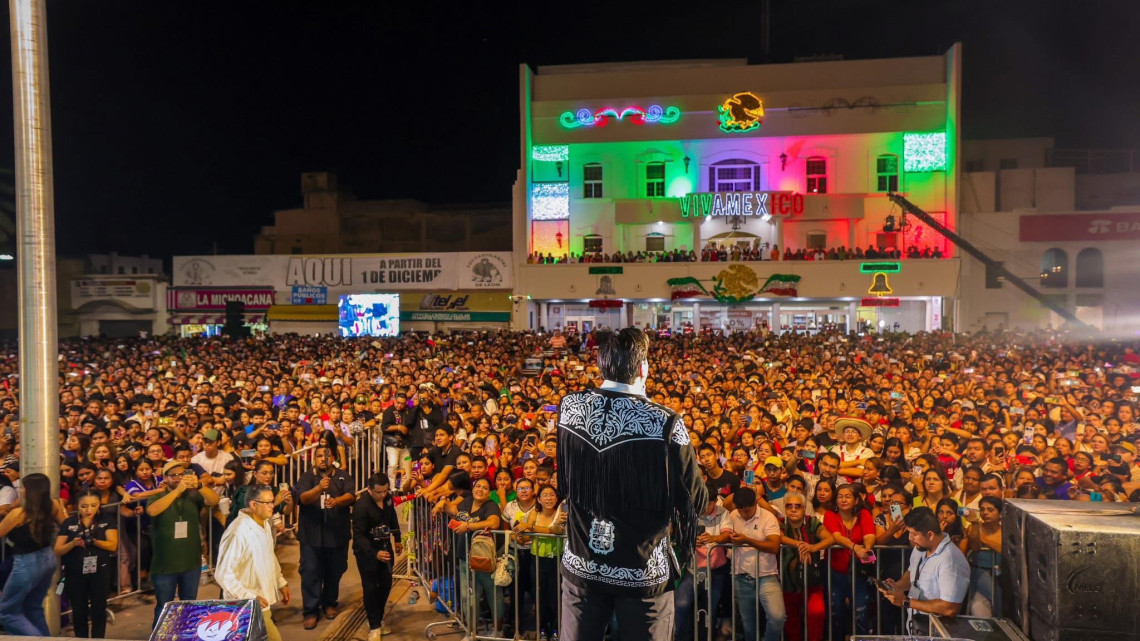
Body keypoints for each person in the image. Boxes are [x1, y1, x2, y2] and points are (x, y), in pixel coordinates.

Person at [555, 327, 707, 641]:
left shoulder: (569, 408)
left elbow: (566, 480)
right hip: (641, 571)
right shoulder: (665, 421)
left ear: (602, 366)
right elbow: (695, 500)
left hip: (582, 563)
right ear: (642, 368)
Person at [146, 459, 220, 627]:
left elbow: (214, 500)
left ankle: (185, 635)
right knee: (164, 608)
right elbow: (152, 510)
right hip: (165, 566)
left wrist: (200, 486)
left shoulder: (193, 495)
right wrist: (177, 491)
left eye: (182, 474)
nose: (179, 478)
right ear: (165, 478)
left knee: (189, 607)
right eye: (174, 475)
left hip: (190, 564)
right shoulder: (157, 496)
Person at [213, 485, 291, 641]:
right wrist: (249, 596)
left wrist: (280, 581)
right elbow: (223, 574)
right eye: (268, 502)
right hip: (245, 606)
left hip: (261, 602)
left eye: (272, 501)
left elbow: (269, 555)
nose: (272, 505)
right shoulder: (237, 532)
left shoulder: (264, 523)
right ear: (253, 505)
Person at [293, 444, 356, 629]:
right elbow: (302, 499)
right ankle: (310, 610)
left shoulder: (343, 476)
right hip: (311, 536)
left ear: (333, 458)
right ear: (314, 459)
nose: (323, 459)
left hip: (337, 534)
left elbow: (351, 496)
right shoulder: (306, 477)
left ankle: (329, 602)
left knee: (335, 570)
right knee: (310, 572)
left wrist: (337, 500)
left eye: (327, 456)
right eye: (319, 456)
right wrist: (319, 488)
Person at [880, 506, 971, 634]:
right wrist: (897, 586)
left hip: (938, 632)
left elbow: (949, 607)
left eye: (914, 534)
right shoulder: (920, 547)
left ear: (930, 534)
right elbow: (912, 572)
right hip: (915, 626)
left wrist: (906, 602)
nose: (910, 538)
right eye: (909, 532)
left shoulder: (951, 560)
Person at [0, 473, 67, 636]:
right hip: (48, 559)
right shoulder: (54, 505)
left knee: (7, 612)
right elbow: (66, 526)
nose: (21, 490)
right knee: (33, 607)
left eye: (23, 487)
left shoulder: (18, 514)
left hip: (26, 563)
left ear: (31, 491)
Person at [723, 486, 784, 641]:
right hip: (740, 575)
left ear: (756, 503)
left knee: (778, 617)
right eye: (741, 510)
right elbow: (725, 505)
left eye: (748, 511)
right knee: (748, 623)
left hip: (767, 575)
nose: (744, 514)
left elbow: (774, 546)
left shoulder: (768, 517)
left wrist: (747, 540)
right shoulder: (732, 515)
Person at [56, 489, 119, 638]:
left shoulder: (106, 519)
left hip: (100, 570)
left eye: (93, 505)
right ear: (77, 505)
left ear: (99, 504)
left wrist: (95, 541)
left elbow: (113, 545)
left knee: (98, 610)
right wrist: (73, 543)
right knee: (79, 611)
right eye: (84, 506)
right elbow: (57, 550)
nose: (89, 510)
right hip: (75, 571)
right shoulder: (69, 522)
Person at [352, 474, 403, 641]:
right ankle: (374, 625)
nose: (382, 495)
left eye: (385, 491)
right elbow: (358, 536)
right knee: (370, 588)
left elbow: (393, 518)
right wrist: (375, 554)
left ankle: (378, 618)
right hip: (367, 552)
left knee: (386, 584)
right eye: (378, 492)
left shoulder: (388, 499)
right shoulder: (361, 506)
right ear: (369, 490)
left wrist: (397, 539)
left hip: (385, 547)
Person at [777, 491, 833, 641]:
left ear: (804, 508)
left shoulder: (812, 522)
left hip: (813, 581)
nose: (793, 509)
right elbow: (779, 538)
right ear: (785, 508)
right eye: (789, 506)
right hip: (788, 583)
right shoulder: (780, 522)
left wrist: (813, 548)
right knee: (791, 621)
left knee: (817, 613)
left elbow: (830, 538)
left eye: (797, 506)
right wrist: (800, 545)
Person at [960, 496, 1003, 617]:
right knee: (978, 607)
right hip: (979, 574)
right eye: (982, 509)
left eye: (990, 510)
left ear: (1000, 513)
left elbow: (1002, 548)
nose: (985, 513)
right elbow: (974, 545)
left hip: (1000, 578)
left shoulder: (1006, 531)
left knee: (1000, 608)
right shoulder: (974, 527)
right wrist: (974, 524)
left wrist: (983, 538)